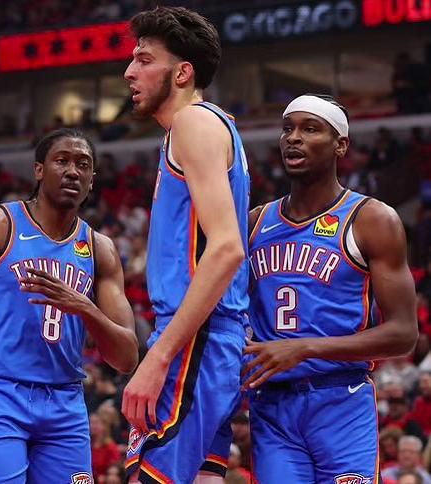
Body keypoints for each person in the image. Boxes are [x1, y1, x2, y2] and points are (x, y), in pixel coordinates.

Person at [0, 128, 138, 483]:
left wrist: (86, 308)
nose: (72, 171)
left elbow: (126, 357)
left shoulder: (100, 249)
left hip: (65, 401)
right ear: (38, 170)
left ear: (93, 180)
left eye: (83, 165)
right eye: (61, 161)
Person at [243, 94, 418, 483]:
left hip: (342, 400)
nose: (293, 138)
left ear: (340, 144)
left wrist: (305, 348)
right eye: (287, 129)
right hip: (272, 408)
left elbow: (404, 333)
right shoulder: (255, 222)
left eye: (310, 129)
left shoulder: (371, 219)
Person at [121, 6, 250, 483]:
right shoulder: (209, 127)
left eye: (144, 59)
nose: (129, 71)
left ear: (182, 73)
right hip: (211, 337)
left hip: (196, 337)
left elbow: (227, 248)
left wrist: (158, 358)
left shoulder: (193, 122)